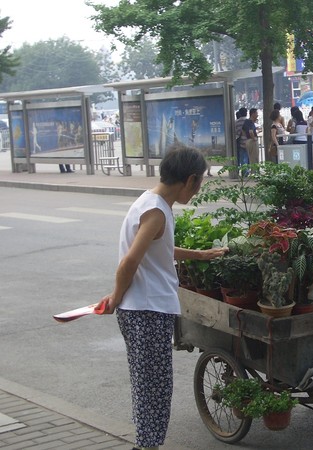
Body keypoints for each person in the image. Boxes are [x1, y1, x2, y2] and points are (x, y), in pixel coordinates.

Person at [96, 143, 229, 449]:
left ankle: (146, 443)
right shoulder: (155, 211)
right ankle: (146, 446)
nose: (197, 191)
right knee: (154, 389)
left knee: (148, 386)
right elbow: (129, 262)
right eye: (199, 183)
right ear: (190, 179)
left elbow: (158, 248)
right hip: (148, 311)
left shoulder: (151, 201)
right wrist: (116, 296)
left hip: (143, 309)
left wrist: (200, 254)